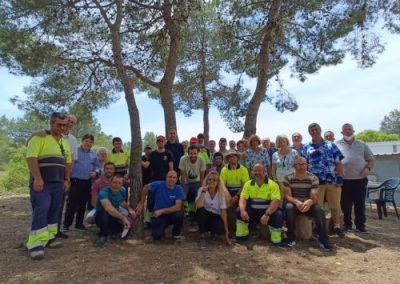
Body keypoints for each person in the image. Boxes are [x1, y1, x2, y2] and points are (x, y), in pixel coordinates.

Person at [26, 112, 72, 260]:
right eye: (59, 124)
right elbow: (31, 158)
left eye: (64, 125)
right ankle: (35, 244)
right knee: (42, 209)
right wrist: (38, 178)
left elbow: (68, 162)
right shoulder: (39, 137)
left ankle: (50, 237)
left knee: (54, 209)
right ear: (51, 124)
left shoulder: (64, 142)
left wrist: (66, 179)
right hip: (43, 183)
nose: (61, 127)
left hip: (59, 183)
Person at [302, 123, 346, 238]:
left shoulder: (331, 145)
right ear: (309, 132)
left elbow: (338, 162)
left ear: (320, 130)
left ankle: (337, 226)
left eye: (316, 129)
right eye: (311, 130)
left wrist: (340, 177)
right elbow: (303, 165)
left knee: (335, 206)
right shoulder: (306, 147)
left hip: (333, 181)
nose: (314, 131)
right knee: (317, 207)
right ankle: (318, 227)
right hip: (316, 183)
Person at [283, 157, 334, 251]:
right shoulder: (287, 178)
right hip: (295, 204)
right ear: (294, 166)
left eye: (303, 164)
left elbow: (314, 196)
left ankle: (323, 240)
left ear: (307, 165)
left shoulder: (313, 178)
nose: (300, 166)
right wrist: (297, 202)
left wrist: (309, 202)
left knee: (320, 210)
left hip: (309, 204)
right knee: (288, 207)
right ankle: (290, 238)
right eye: (298, 164)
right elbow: (288, 196)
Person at [337, 123, 375, 233]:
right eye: (345, 130)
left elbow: (371, 159)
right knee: (345, 204)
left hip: (360, 180)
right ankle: (347, 225)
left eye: (350, 129)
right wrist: (339, 169)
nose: (348, 131)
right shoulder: (336, 144)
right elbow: (333, 160)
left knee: (360, 203)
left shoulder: (362, 144)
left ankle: (360, 225)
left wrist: (368, 169)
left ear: (353, 131)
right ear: (342, 132)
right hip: (344, 181)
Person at [236, 164, 285, 246]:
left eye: (259, 170)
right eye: (255, 171)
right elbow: (242, 198)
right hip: (253, 212)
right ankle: (242, 236)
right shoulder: (248, 184)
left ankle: (276, 240)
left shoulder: (273, 185)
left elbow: (275, 201)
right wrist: (242, 211)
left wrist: (267, 214)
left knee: (278, 214)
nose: (257, 172)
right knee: (238, 211)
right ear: (252, 172)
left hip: (267, 212)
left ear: (265, 172)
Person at [135, 171, 184, 243]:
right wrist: (141, 203)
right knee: (157, 235)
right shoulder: (158, 184)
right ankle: (162, 230)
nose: (171, 179)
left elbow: (178, 207)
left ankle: (176, 234)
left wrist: (162, 211)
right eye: (169, 177)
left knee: (179, 215)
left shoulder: (178, 188)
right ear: (166, 177)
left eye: (174, 177)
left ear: (177, 179)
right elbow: (146, 187)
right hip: (159, 215)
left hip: (170, 213)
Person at [63, 134, 99, 231]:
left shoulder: (93, 154)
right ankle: (66, 224)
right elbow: (69, 163)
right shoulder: (75, 152)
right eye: (86, 141)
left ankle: (79, 224)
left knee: (82, 204)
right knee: (72, 204)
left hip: (87, 182)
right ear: (82, 141)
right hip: (75, 181)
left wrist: (96, 172)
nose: (88, 143)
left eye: (91, 142)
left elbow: (97, 167)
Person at [94, 175, 136, 247]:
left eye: (119, 183)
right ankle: (103, 235)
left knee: (125, 224)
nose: (117, 185)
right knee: (104, 212)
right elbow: (108, 208)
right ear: (110, 183)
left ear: (122, 184)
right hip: (101, 216)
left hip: (114, 215)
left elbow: (122, 201)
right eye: (114, 182)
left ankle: (111, 231)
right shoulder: (104, 192)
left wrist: (129, 209)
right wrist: (123, 218)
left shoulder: (122, 190)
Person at [142, 135, 174, 225]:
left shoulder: (168, 153)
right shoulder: (152, 154)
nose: (160, 142)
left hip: (165, 180)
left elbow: (171, 169)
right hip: (154, 180)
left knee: (165, 198)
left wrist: (171, 179)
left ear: (164, 142)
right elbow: (146, 165)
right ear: (156, 142)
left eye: (162, 141)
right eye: (159, 141)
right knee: (151, 199)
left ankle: (164, 218)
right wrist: (137, 158)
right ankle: (147, 219)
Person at [196, 171, 232, 248]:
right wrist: (203, 192)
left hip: (216, 215)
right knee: (200, 210)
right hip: (204, 214)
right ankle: (202, 236)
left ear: (218, 182)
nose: (211, 182)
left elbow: (223, 211)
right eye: (209, 179)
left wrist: (226, 232)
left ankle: (213, 232)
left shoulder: (221, 193)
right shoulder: (201, 189)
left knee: (219, 227)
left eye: (214, 180)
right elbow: (199, 206)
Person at [220, 150, 250, 237]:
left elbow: (245, 185)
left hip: (241, 192)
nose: (232, 158)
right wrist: (229, 198)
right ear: (228, 159)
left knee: (242, 207)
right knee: (228, 206)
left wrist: (237, 196)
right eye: (230, 156)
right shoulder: (224, 170)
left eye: (234, 156)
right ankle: (232, 229)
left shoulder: (243, 169)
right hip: (227, 192)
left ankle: (243, 228)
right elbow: (222, 185)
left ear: (237, 158)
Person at [179, 145, 206, 219]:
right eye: (191, 153)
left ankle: (195, 213)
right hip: (186, 181)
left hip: (197, 181)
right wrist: (183, 191)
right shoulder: (183, 159)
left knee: (198, 197)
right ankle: (180, 214)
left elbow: (202, 176)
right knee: (182, 197)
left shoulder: (202, 160)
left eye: (195, 153)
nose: (193, 155)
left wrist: (200, 190)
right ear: (188, 153)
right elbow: (183, 175)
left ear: (198, 153)